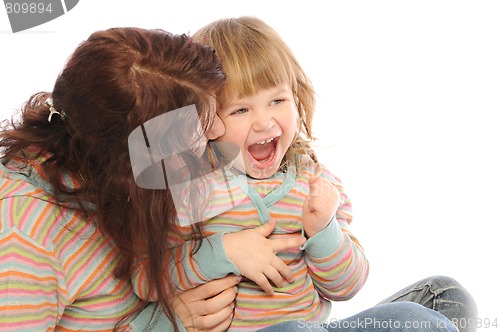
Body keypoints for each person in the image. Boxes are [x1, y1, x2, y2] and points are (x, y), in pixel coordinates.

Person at [132, 16, 476, 332]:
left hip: (316, 328)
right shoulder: (190, 186)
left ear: (297, 99)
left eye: (277, 101)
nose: (264, 122)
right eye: (240, 109)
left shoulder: (313, 183)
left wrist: (323, 231)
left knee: (446, 297)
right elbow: (146, 278)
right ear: (205, 121)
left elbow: (346, 286)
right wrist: (222, 252)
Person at [0, 26, 305, 332]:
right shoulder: (23, 239)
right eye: (200, 129)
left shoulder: (128, 169)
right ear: (135, 157)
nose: (218, 133)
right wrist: (161, 324)